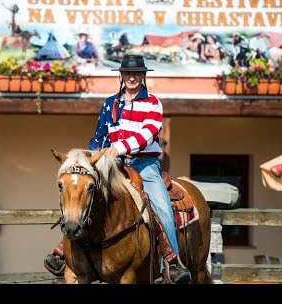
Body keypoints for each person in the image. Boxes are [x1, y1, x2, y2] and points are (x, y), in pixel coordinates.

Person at [44, 54, 192, 284]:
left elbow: (148, 134)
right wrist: (90, 158)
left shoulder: (152, 102)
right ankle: (65, 251)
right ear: (121, 76)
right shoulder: (110, 103)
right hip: (111, 164)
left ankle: (171, 263)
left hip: (144, 165)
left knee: (161, 207)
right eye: (127, 73)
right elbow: (99, 137)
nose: (132, 77)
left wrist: (119, 148)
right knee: (83, 195)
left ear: (143, 76)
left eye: (136, 73)